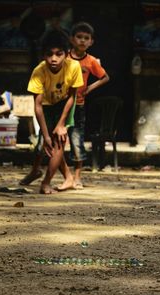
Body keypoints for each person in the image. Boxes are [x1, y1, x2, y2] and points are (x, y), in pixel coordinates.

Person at [20, 28, 83, 194]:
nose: (54, 59)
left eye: (59, 54)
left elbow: (72, 97)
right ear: (43, 54)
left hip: (65, 105)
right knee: (46, 143)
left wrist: (62, 123)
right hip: (47, 107)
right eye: (49, 54)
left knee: (59, 142)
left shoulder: (74, 67)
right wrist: (46, 134)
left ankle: (46, 182)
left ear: (67, 53)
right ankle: (66, 177)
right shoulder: (38, 72)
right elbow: (38, 105)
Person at [67, 21, 109, 189]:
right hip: (59, 104)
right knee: (55, 140)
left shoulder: (91, 61)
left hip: (78, 105)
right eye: (79, 37)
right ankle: (59, 175)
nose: (82, 41)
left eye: (86, 38)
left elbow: (105, 77)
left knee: (77, 139)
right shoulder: (64, 57)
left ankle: (77, 176)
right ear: (72, 39)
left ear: (91, 42)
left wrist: (90, 87)